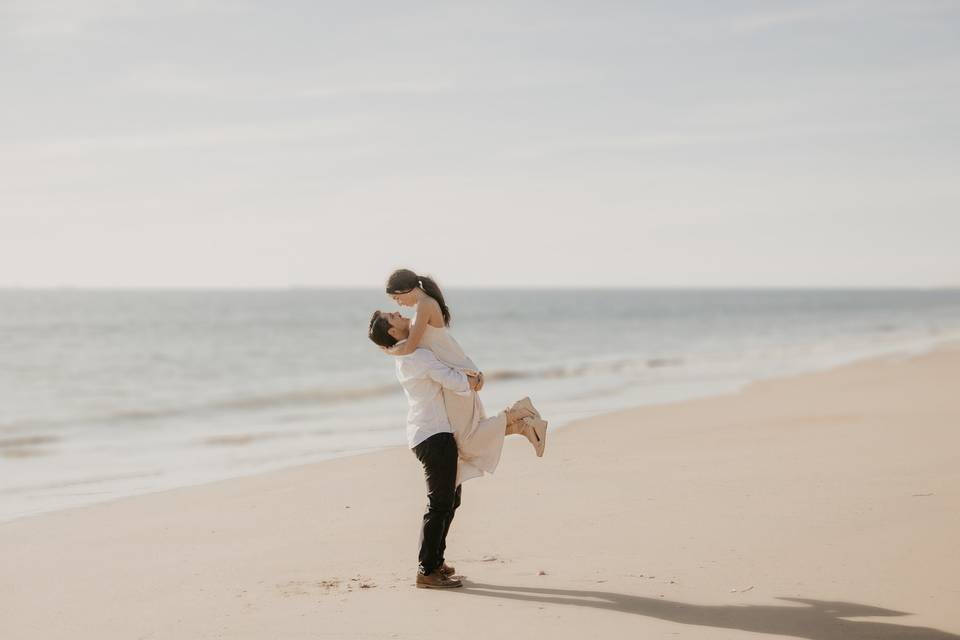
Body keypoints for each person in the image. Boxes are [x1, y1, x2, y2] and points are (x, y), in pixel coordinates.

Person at [368, 309, 542, 589]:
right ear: (391, 331)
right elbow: (450, 379)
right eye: (393, 316)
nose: (399, 313)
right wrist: (474, 381)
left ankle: (436, 562)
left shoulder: (407, 355)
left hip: (431, 434)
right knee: (439, 504)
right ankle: (426, 570)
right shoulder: (416, 356)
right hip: (433, 436)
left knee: (450, 500)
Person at [382, 269, 548, 480]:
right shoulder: (423, 307)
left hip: (457, 374)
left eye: (397, 297)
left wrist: (388, 349)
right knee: (469, 437)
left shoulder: (425, 306)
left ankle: (518, 412)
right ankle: (523, 426)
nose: (398, 303)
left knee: (467, 441)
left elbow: (411, 347)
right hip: (456, 371)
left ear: (405, 289)